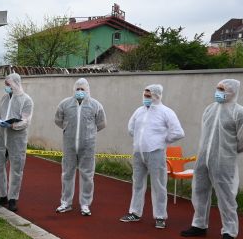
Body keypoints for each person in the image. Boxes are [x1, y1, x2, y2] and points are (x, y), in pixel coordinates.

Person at [181, 79, 243, 239]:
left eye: (222, 89)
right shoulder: (209, 109)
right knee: (199, 191)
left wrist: (227, 153)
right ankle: (199, 225)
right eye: (218, 88)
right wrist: (205, 153)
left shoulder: (241, 113)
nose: (218, 92)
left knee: (226, 196)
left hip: (224, 161)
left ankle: (229, 232)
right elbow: (205, 134)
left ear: (232, 91)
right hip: (203, 158)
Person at [120, 84, 185, 228]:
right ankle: (135, 212)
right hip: (139, 152)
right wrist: (139, 139)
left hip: (156, 152)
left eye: (149, 96)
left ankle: (160, 216)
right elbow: (131, 128)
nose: (146, 98)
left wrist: (162, 140)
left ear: (157, 96)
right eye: (145, 95)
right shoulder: (139, 111)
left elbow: (178, 132)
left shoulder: (166, 112)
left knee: (159, 185)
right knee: (137, 183)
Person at [54, 78, 107, 216]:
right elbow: (58, 120)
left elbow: (101, 123)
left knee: (87, 175)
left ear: (87, 90)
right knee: (67, 173)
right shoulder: (65, 104)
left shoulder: (96, 105)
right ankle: (66, 202)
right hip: (69, 145)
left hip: (88, 146)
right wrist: (68, 130)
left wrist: (89, 133)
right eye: (77, 89)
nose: (80, 91)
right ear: (74, 90)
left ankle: (85, 204)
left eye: (82, 89)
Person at [0, 72, 33, 213]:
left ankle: (13, 198)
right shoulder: (4, 98)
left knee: (16, 169)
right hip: (1, 137)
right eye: (6, 84)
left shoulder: (26, 100)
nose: (6, 86)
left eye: (8, 84)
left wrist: (12, 125)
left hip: (16, 139)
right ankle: (2, 195)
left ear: (15, 84)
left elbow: (26, 121)